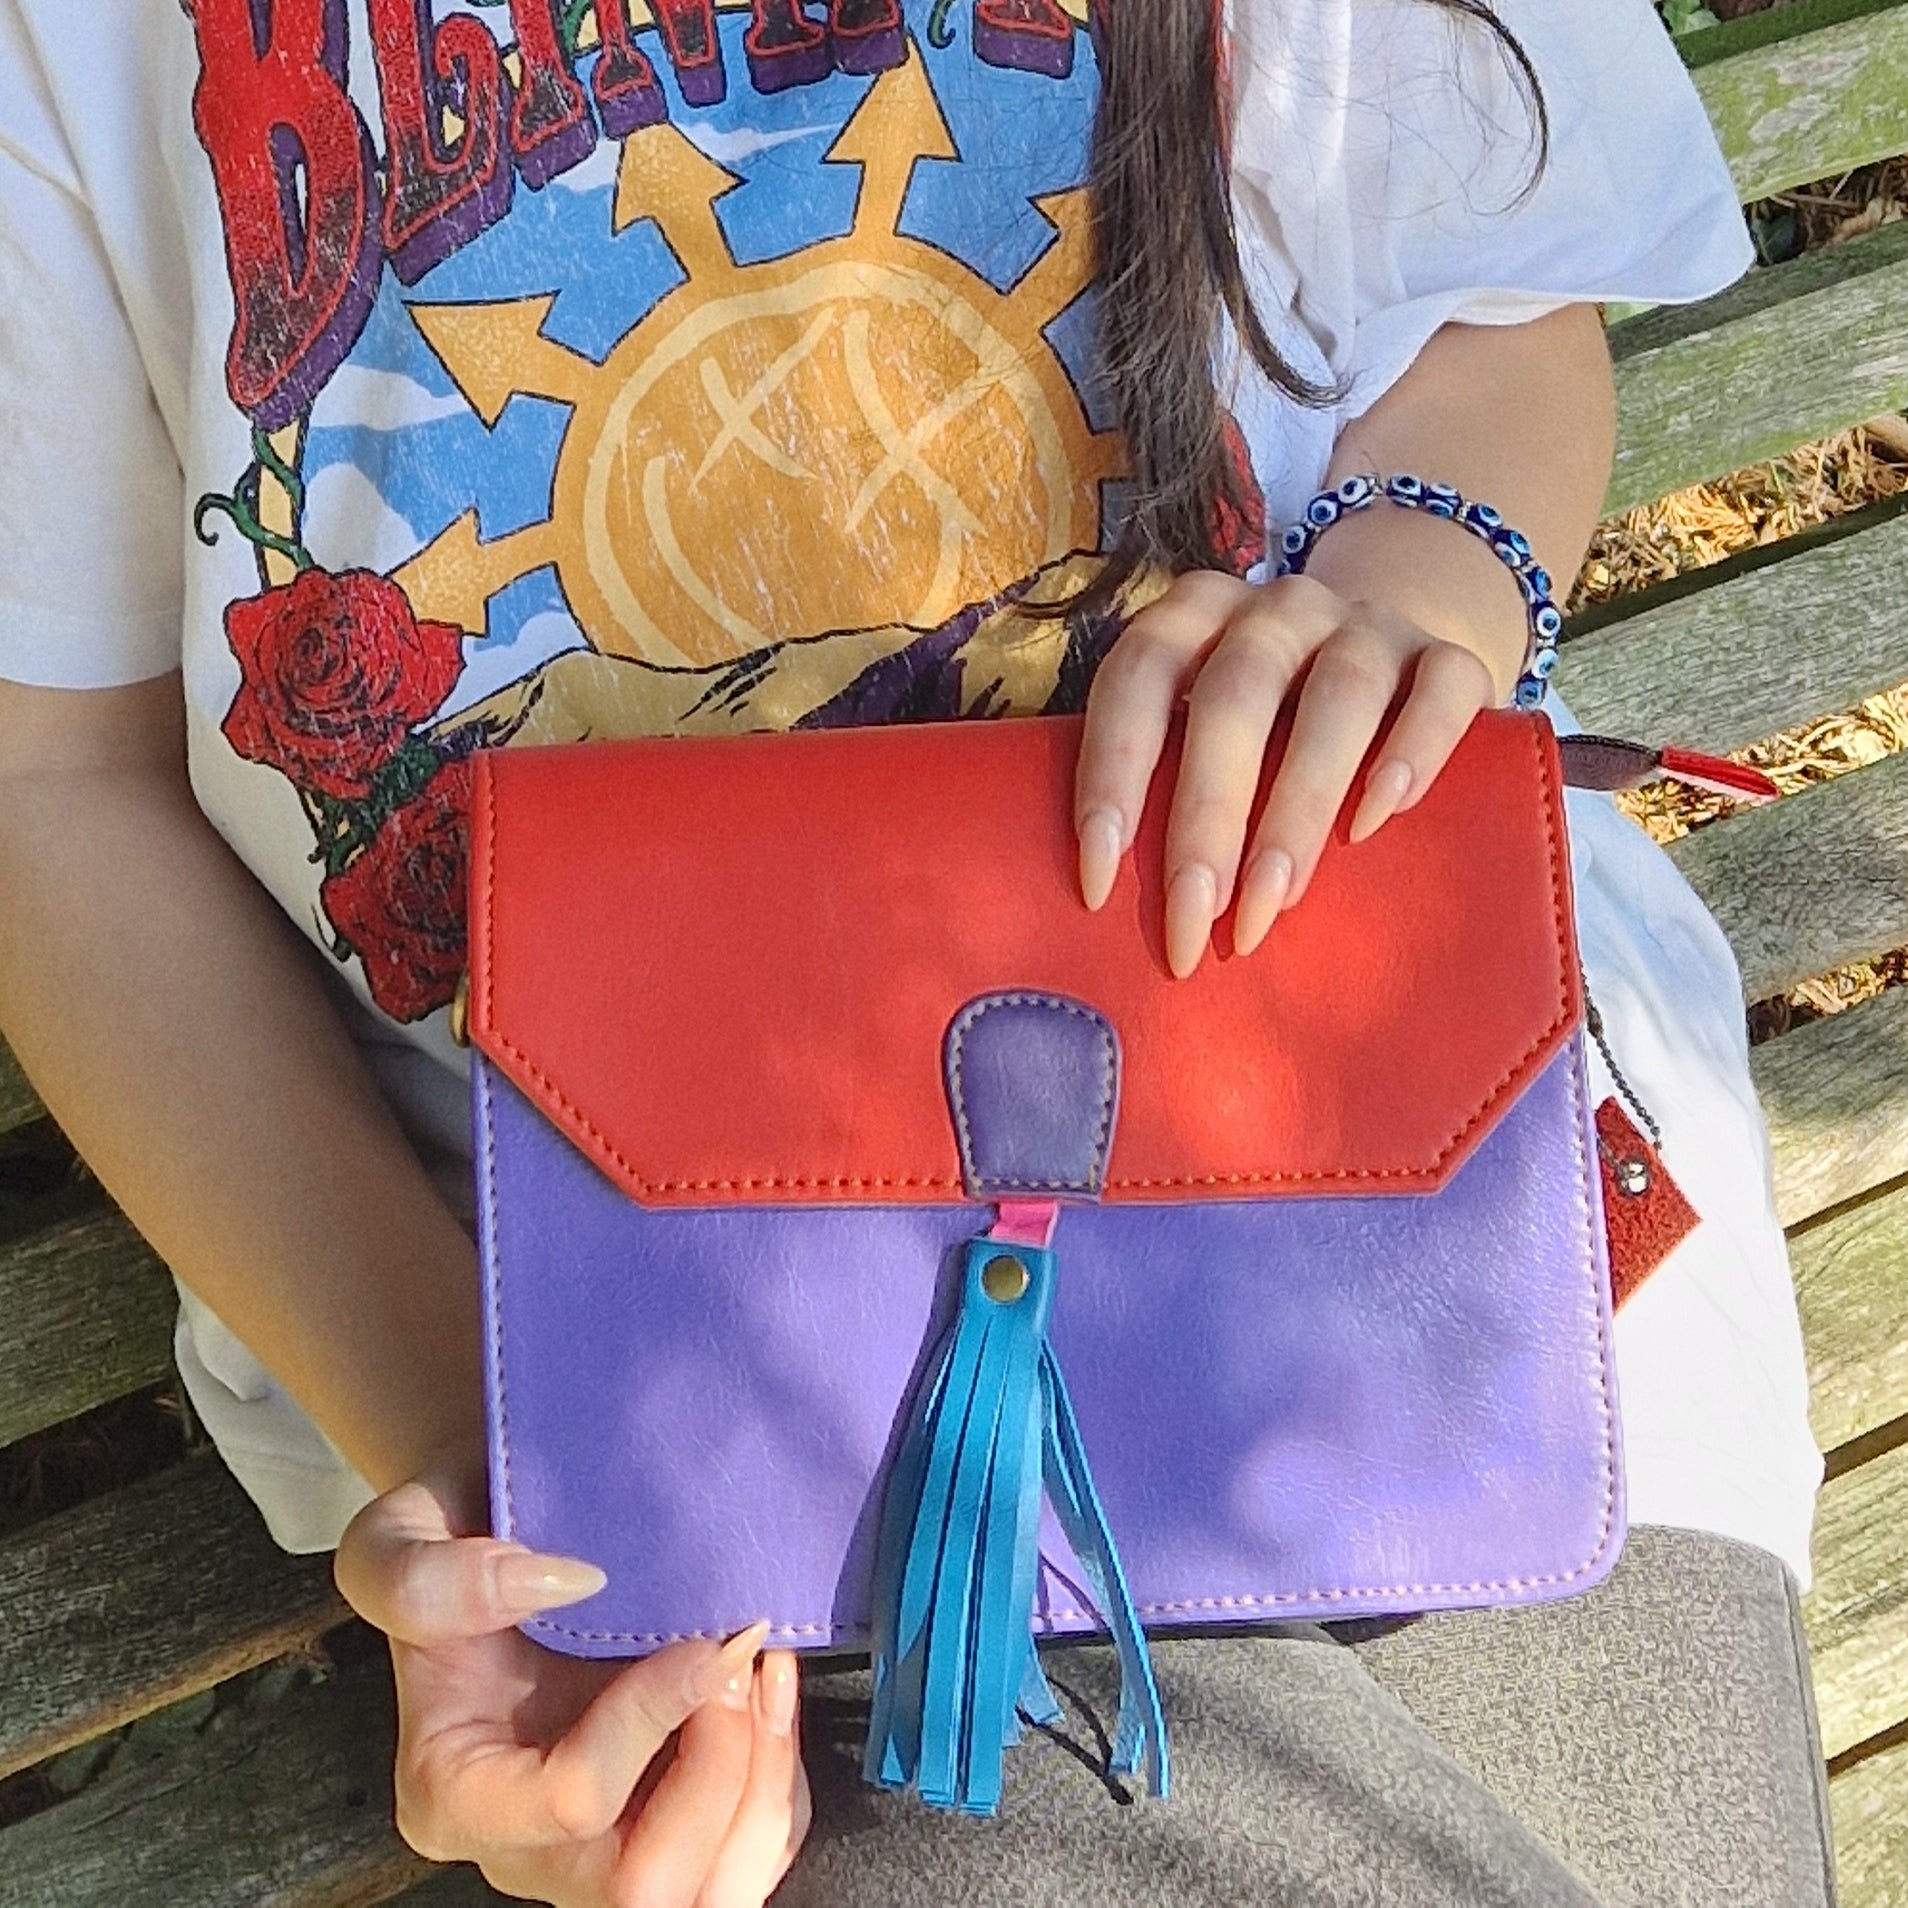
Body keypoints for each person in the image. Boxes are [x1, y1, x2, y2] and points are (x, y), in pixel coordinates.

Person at [0, 0, 1831, 1902]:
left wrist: (1407, 591)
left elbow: (1495, 315)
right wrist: (502, 1466)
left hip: (1445, 1225)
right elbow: (57, 788)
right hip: (658, 1377)